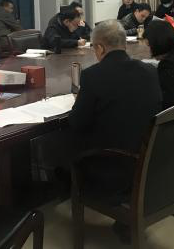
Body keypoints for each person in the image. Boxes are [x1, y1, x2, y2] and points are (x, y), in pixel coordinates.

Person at [69, 20, 162, 202]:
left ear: (100, 48)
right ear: (124, 43)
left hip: (111, 167)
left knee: (67, 140)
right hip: (148, 161)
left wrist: (80, 100)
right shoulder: (149, 71)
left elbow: (77, 123)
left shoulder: (92, 75)